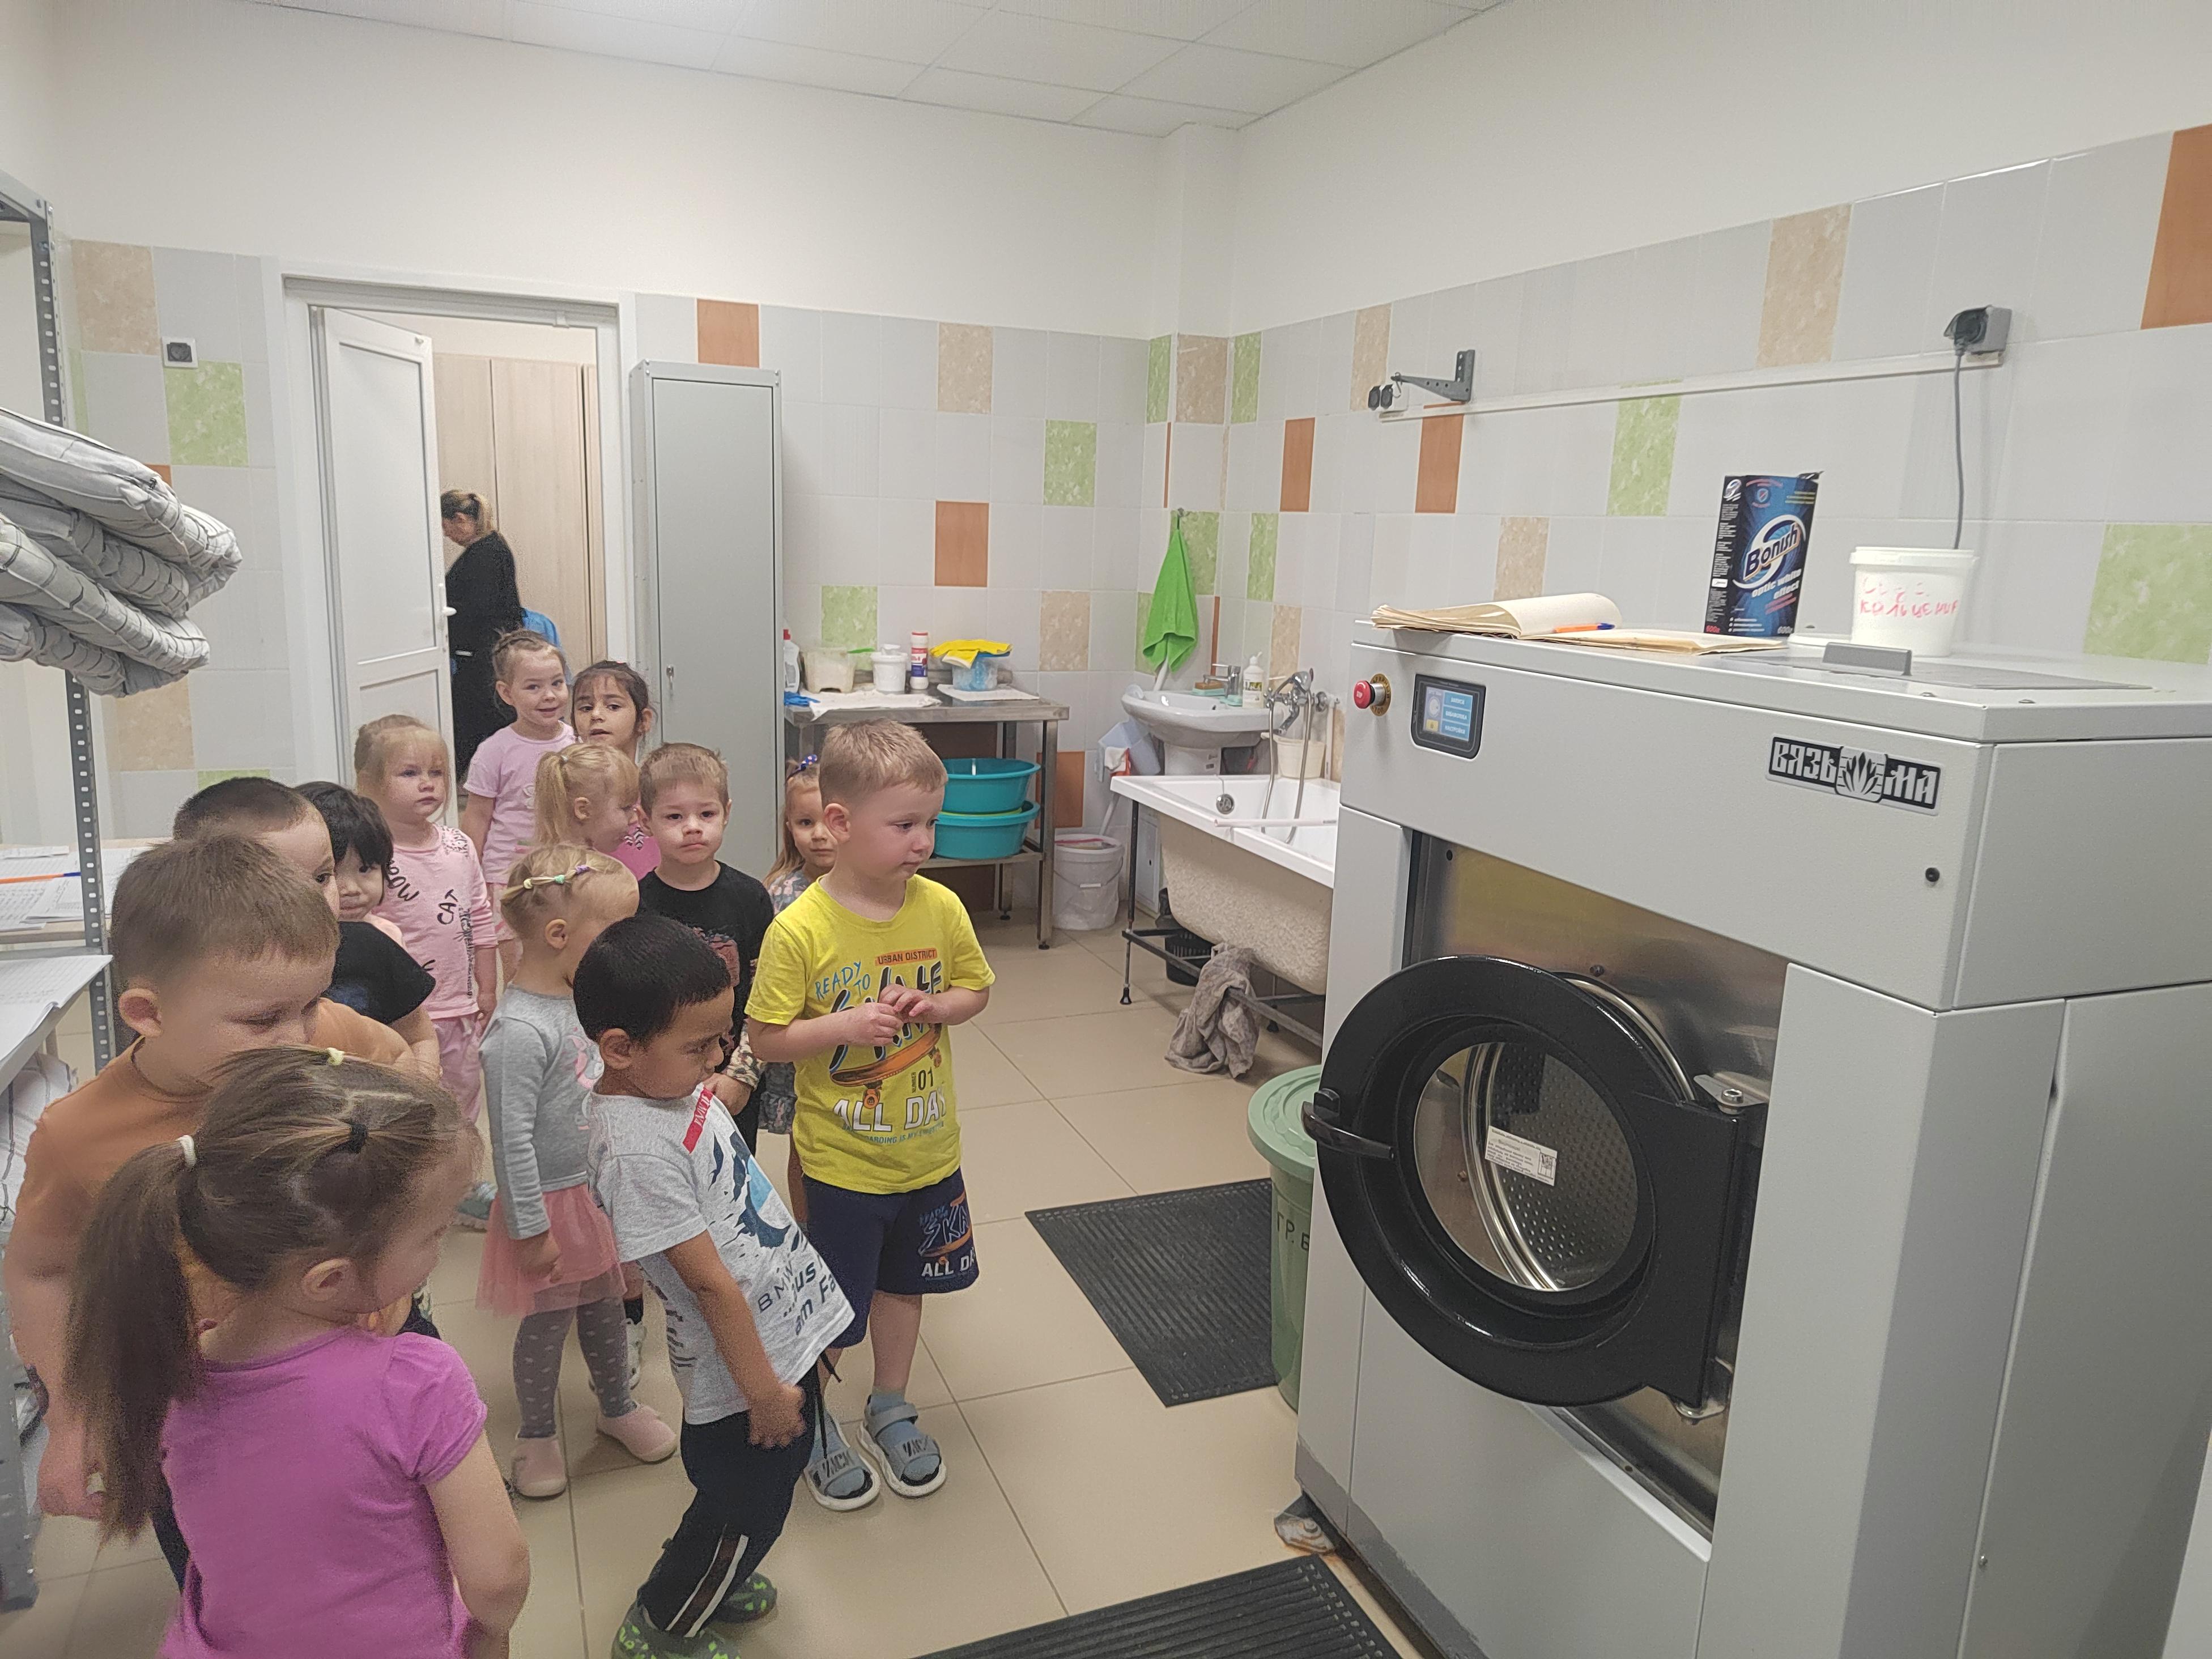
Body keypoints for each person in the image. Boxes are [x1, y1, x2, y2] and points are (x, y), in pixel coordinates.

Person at [1, 837, 410, 1558]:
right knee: (234, 1582)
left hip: (367, 1366)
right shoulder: (77, 1136)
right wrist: (73, 1412)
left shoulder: (323, 1034)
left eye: (312, 1004)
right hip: (202, 1412)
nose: (300, 1041)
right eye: (263, 1021)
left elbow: (401, 1066)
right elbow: (42, 1272)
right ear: (148, 1013)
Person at [66, 1048, 529, 1658]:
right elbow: (497, 1579)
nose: (438, 1251)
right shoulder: (417, 1381)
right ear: (329, 1279)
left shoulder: (169, 1372)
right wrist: (488, 1634)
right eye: (433, 1234)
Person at [578, 915, 854, 1659]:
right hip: (741, 1374)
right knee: (745, 1507)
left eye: (722, 1037)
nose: (719, 1057)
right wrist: (761, 1392)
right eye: (699, 1046)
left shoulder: (666, 1086)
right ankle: (665, 1624)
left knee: (752, 1495)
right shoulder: (636, 1153)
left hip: (771, 1337)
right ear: (620, 1049)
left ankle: (715, 1577)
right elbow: (708, 1287)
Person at [746, 720, 992, 1509]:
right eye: (905, 825)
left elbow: (975, 990)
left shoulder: (942, 908)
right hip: (843, 1164)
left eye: (931, 823)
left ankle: (890, 1403)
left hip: (927, 1151)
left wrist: (939, 1006)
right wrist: (842, 1028)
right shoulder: (800, 929)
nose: (924, 842)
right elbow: (766, 1038)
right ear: (841, 823)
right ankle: (814, 1416)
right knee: (834, 1304)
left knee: (905, 1286)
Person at [477, 845, 677, 1498]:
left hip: (599, 1193)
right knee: (546, 1324)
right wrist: (531, 1229)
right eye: (613, 934)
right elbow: (510, 1141)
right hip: (550, 1205)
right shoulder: (517, 1031)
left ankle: (616, 1406)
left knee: (606, 1307)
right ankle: (536, 1434)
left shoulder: (583, 1000)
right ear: (560, 935)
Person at [173, 776, 440, 1084]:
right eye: (262, 1019)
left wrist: (421, 1095)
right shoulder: (191, 975)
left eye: (322, 877)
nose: (314, 899)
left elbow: (418, 1037)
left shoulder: (369, 947)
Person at [358, 714, 499, 1127]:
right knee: (407, 1105)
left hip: (459, 1006)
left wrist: (488, 988)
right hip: (401, 1012)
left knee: (462, 1099)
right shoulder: (370, 859)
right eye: (409, 773)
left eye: (436, 773)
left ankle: (460, 1165)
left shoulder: (459, 846)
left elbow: (480, 918)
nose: (428, 784)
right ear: (368, 784)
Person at [636, 743, 773, 1150]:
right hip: (657, 1084)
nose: (692, 827)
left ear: (726, 813)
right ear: (645, 821)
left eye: (706, 814)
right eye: (674, 816)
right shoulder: (634, 903)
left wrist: (741, 1076)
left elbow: (768, 994)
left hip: (732, 1081)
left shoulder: (751, 898)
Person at [462, 628, 575, 978]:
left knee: (565, 955)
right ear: (507, 693)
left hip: (565, 869)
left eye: (557, 683)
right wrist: (470, 874)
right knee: (520, 968)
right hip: (507, 876)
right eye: (533, 687)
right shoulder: (495, 750)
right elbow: (477, 816)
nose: (549, 695)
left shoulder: (577, 742)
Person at [757, 760, 837, 1225]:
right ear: (789, 826)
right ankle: (808, 1231)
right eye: (806, 823)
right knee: (804, 1147)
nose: (820, 835)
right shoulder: (779, 895)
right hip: (798, 1046)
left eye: (829, 821)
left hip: (853, 1043)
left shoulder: (876, 888)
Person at [442, 489, 525, 781]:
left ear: (461, 519)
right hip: (484, 651)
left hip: (483, 653)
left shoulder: (485, 555)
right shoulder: (489, 548)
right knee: (477, 720)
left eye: (446, 526)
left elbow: (477, 609)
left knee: (474, 720)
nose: (446, 534)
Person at [571, 659, 660, 879]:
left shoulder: (658, 789)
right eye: (586, 708)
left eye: (613, 707)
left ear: (643, 720)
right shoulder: (568, 790)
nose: (596, 715)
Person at [533, 742, 641, 865]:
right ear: (583, 810)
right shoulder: (588, 875)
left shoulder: (542, 865)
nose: (634, 819)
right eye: (626, 808)